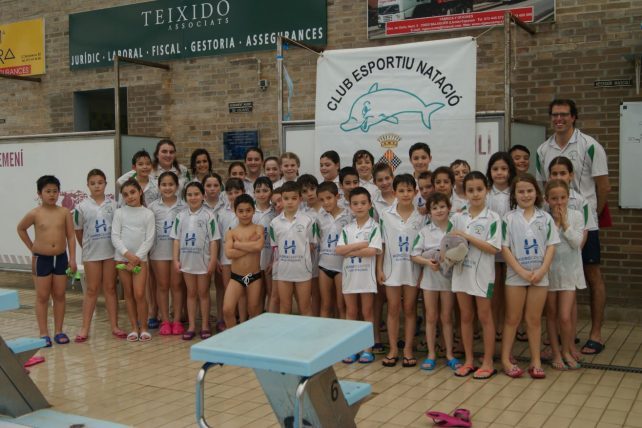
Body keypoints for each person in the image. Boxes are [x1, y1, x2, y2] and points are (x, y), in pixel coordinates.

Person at [535, 99, 610, 355]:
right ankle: (561, 337)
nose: (559, 119)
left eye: (564, 115)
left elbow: (603, 187)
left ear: (574, 117)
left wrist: (588, 220)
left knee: (591, 275)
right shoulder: (543, 150)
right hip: (554, 223)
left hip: (583, 222)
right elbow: (543, 186)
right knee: (556, 277)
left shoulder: (590, 146)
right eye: (554, 115)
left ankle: (596, 334)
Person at [501, 174, 560, 379]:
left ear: (537, 193)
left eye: (529, 191)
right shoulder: (508, 218)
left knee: (534, 320)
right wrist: (521, 271)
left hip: (539, 276)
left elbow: (552, 245)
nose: (525, 195)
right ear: (514, 195)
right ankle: (506, 359)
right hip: (516, 276)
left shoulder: (546, 218)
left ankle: (535, 361)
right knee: (512, 318)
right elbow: (505, 247)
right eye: (521, 191)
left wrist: (542, 270)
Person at [449, 171, 501, 379]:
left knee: (485, 316)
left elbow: (493, 248)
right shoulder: (458, 217)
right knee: (466, 316)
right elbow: (450, 244)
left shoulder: (493, 217)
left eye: (479, 189)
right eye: (470, 190)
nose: (475, 194)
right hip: (461, 273)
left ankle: (487, 362)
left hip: (482, 275)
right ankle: (469, 360)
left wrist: (466, 236)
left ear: (487, 190)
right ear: (465, 193)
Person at [17, 175, 77, 347]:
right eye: (48, 191)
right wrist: (32, 247)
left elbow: (71, 236)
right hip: (41, 259)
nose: (52, 195)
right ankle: (43, 333)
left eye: (55, 191)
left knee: (59, 295)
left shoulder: (64, 212)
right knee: (42, 296)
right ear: (39, 193)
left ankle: (58, 331)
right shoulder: (35, 213)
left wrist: (72, 258)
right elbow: (20, 229)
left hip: (60, 258)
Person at [378, 174, 425, 368]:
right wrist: (379, 268)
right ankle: (393, 349)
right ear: (394, 192)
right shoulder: (385, 214)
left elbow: (424, 246)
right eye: (401, 191)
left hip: (413, 269)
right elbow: (380, 243)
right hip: (391, 269)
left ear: (415, 192)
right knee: (393, 308)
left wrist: (423, 272)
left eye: (409, 190)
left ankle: (407, 349)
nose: (405, 194)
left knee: (410, 309)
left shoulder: (422, 217)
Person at [411, 192, 460, 371]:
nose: (439, 210)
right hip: (430, 280)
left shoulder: (456, 229)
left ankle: (449, 354)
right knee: (431, 317)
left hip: (448, 281)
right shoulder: (424, 231)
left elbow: (463, 251)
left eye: (442, 207)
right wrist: (427, 262)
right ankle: (431, 354)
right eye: (434, 208)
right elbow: (414, 255)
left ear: (449, 208)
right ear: (429, 212)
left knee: (447, 317)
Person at [73, 169, 122, 342]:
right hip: (91, 254)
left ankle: (115, 326)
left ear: (105, 184)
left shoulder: (114, 205)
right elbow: (78, 231)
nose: (96, 186)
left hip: (110, 253)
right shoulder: (81, 207)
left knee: (109, 288)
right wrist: (86, 248)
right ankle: (84, 328)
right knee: (92, 290)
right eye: (93, 183)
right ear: (87, 185)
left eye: (100, 182)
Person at [336, 187, 382, 364]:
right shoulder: (347, 228)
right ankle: (352, 349)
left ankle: (367, 349)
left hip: (366, 276)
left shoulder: (375, 227)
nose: (360, 206)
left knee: (367, 311)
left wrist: (351, 250)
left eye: (363, 203)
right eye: (355, 203)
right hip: (350, 276)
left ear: (370, 204)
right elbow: (339, 250)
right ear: (350, 206)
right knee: (351, 312)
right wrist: (360, 245)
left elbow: (372, 251)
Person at [545, 179, 586, 371]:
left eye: (562, 198)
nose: (558, 202)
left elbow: (577, 243)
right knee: (551, 315)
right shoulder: (544, 218)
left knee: (565, 316)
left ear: (568, 198)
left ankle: (567, 349)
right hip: (549, 273)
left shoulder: (576, 216)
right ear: (547, 200)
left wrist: (565, 224)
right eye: (554, 198)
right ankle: (555, 352)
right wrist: (555, 223)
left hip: (569, 273)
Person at [172, 181, 219, 340]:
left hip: (204, 262)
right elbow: (176, 240)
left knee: (203, 293)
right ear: (185, 197)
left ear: (203, 196)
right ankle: (192, 326)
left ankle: (205, 325)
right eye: (190, 195)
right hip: (186, 262)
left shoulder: (209, 215)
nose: (193, 197)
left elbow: (214, 240)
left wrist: (213, 260)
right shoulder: (180, 216)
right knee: (191, 294)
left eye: (196, 194)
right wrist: (175, 260)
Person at [111, 178, 155, 342]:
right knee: (128, 294)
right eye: (126, 194)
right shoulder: (119, 213)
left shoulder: (148, 213)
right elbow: (115, 236)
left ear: (140, 192)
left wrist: (136, 258)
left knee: (139, 293)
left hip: (140, 260)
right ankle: (134, 328)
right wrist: (126, 254)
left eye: (133, 192)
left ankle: (144, 327)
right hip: (122, 260)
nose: (130, 197)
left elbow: (149, 239)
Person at [269, 181, 317, 315]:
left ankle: (309, 335)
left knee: (305, 307)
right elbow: (275, 248)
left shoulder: (308, 220)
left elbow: (312, 245)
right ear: (281, 200)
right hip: (283, 271)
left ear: (300, 199)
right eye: (286, 198)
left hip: (303, 270)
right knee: (285, 307)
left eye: (294, 198)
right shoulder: (274, 223)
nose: (290, 202)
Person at [148, 171, 186, 336]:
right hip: (158, 252)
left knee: (177, 286)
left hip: (178, 253)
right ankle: (164, 320)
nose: (168, 188)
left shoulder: (184, 206)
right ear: (159, 187)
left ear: (177, 186)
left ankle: (176, 320)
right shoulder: (152, 207)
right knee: (162, 286)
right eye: (164, 184)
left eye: (171, 184)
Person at [486, 152, 517, 342]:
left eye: (504, 169)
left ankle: (511, 327)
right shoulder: (486, 193)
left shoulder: (516, 191)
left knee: (511, 290)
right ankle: (494, 325)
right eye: (495, 169)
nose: (499, 173)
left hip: (512, 248)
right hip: (490, 248)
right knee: (494, 290)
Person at [223, 194, 264, 328]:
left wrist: (238, 245)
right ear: (235, 212)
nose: (245, 214)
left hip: (253, 276)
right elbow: (229, 253)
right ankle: (233, 338)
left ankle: (252, 341)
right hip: (236, 277)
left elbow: (258, 246)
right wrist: (249, 246)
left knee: (253, 310)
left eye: (248, 210)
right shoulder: (231, 232)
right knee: (228, 310)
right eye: (241, 211)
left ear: (253, 210)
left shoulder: (258, 228)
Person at [317, 181, 351, 319]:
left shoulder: (349, 215)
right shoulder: (319, 217)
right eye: (322, 200)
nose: (325, 202)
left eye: (329, 198)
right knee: (325, 305)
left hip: (342, 266)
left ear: (337, 196)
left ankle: (343, 339)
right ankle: (322, 339)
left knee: (341, 305)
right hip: (324, 266)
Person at [216, 178, 245, 330]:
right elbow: (219, 237)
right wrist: (218, 258)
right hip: (226, 258)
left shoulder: (247, 212)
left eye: (237, 192)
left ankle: (243, 321)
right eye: (230, 193)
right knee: (229, 290)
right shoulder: (222, 213)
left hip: (243, 259)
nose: (233, 196)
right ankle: (230, 323)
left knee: (242, 291)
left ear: (243, 192)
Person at [298, 174, 322, 316]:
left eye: (312, 189)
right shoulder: (302, 214)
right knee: (314, 292)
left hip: (329, 257)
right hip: (311, 258)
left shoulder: (328, 208)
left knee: (330, 295)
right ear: (301, 196)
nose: (310, 193)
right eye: (305, 191)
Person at [252, 177, 276, 313]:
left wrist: (273, 260)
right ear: (253, 192)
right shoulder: (250, 211)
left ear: (271, 192)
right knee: (256, 294)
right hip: (254, 260)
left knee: (271, 292)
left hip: (270, 259)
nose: (262, 194)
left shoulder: (276, 212)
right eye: (258, 191)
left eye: (265, 191)